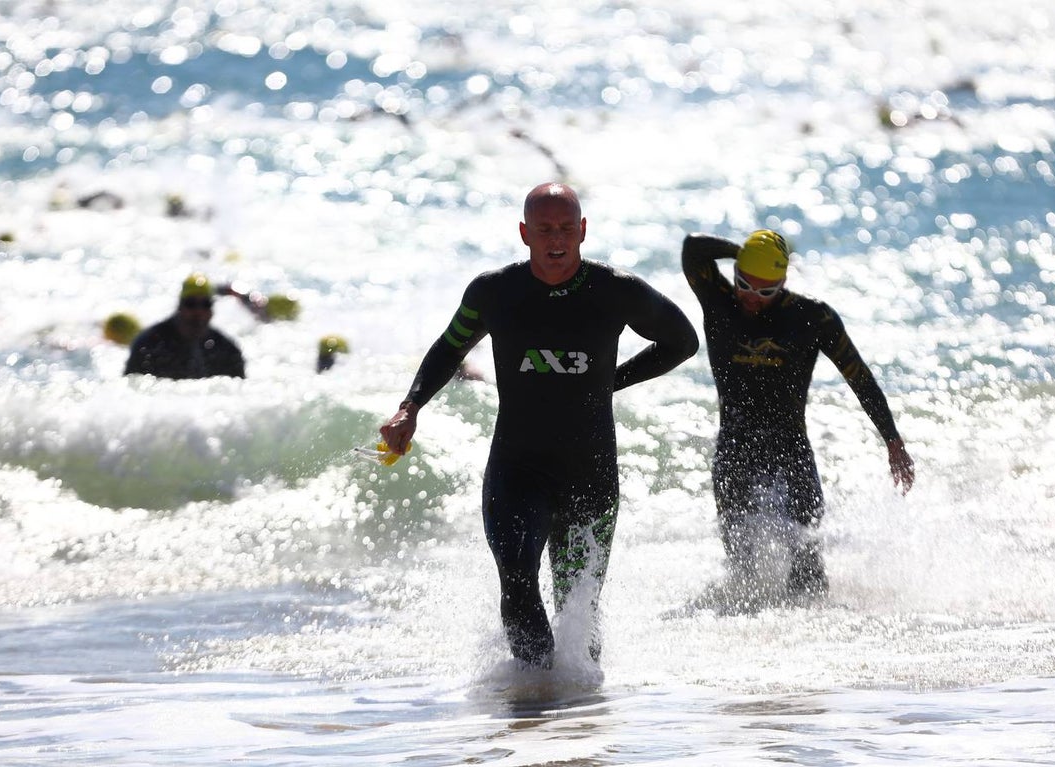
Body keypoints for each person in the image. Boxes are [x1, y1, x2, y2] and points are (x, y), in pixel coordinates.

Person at [380, 183, 698, 668]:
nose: (557, 240)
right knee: (517, 577)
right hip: (517, 467)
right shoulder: (495, 292)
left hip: (588, 472)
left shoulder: (615, 290)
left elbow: (682, 341)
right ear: (525, 233)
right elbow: (450, 347)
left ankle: (578, 721)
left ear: (583, 231)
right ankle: (533, 705)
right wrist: (411, 406)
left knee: (579, 609)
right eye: (545, 230)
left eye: (567, 229)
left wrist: (611, 382)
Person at [681, 230, 914, 599]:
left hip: (791, 450)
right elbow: (693, 248)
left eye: (765, 291)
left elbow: (860, 378)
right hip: (734, 449)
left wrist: (892, 440)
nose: (752, 298)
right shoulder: (719, 300)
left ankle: (809, 641)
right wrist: (744, 251)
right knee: (741, 572)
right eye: (744, 284)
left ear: (783, 282)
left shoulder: (812, 318)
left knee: (808, 568)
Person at [124, 273, 246, 379]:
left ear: (212, 311)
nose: (198, 312)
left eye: (205, 304)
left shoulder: (227, 351)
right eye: (191, 304)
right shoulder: (149, 345)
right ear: (180, 307)